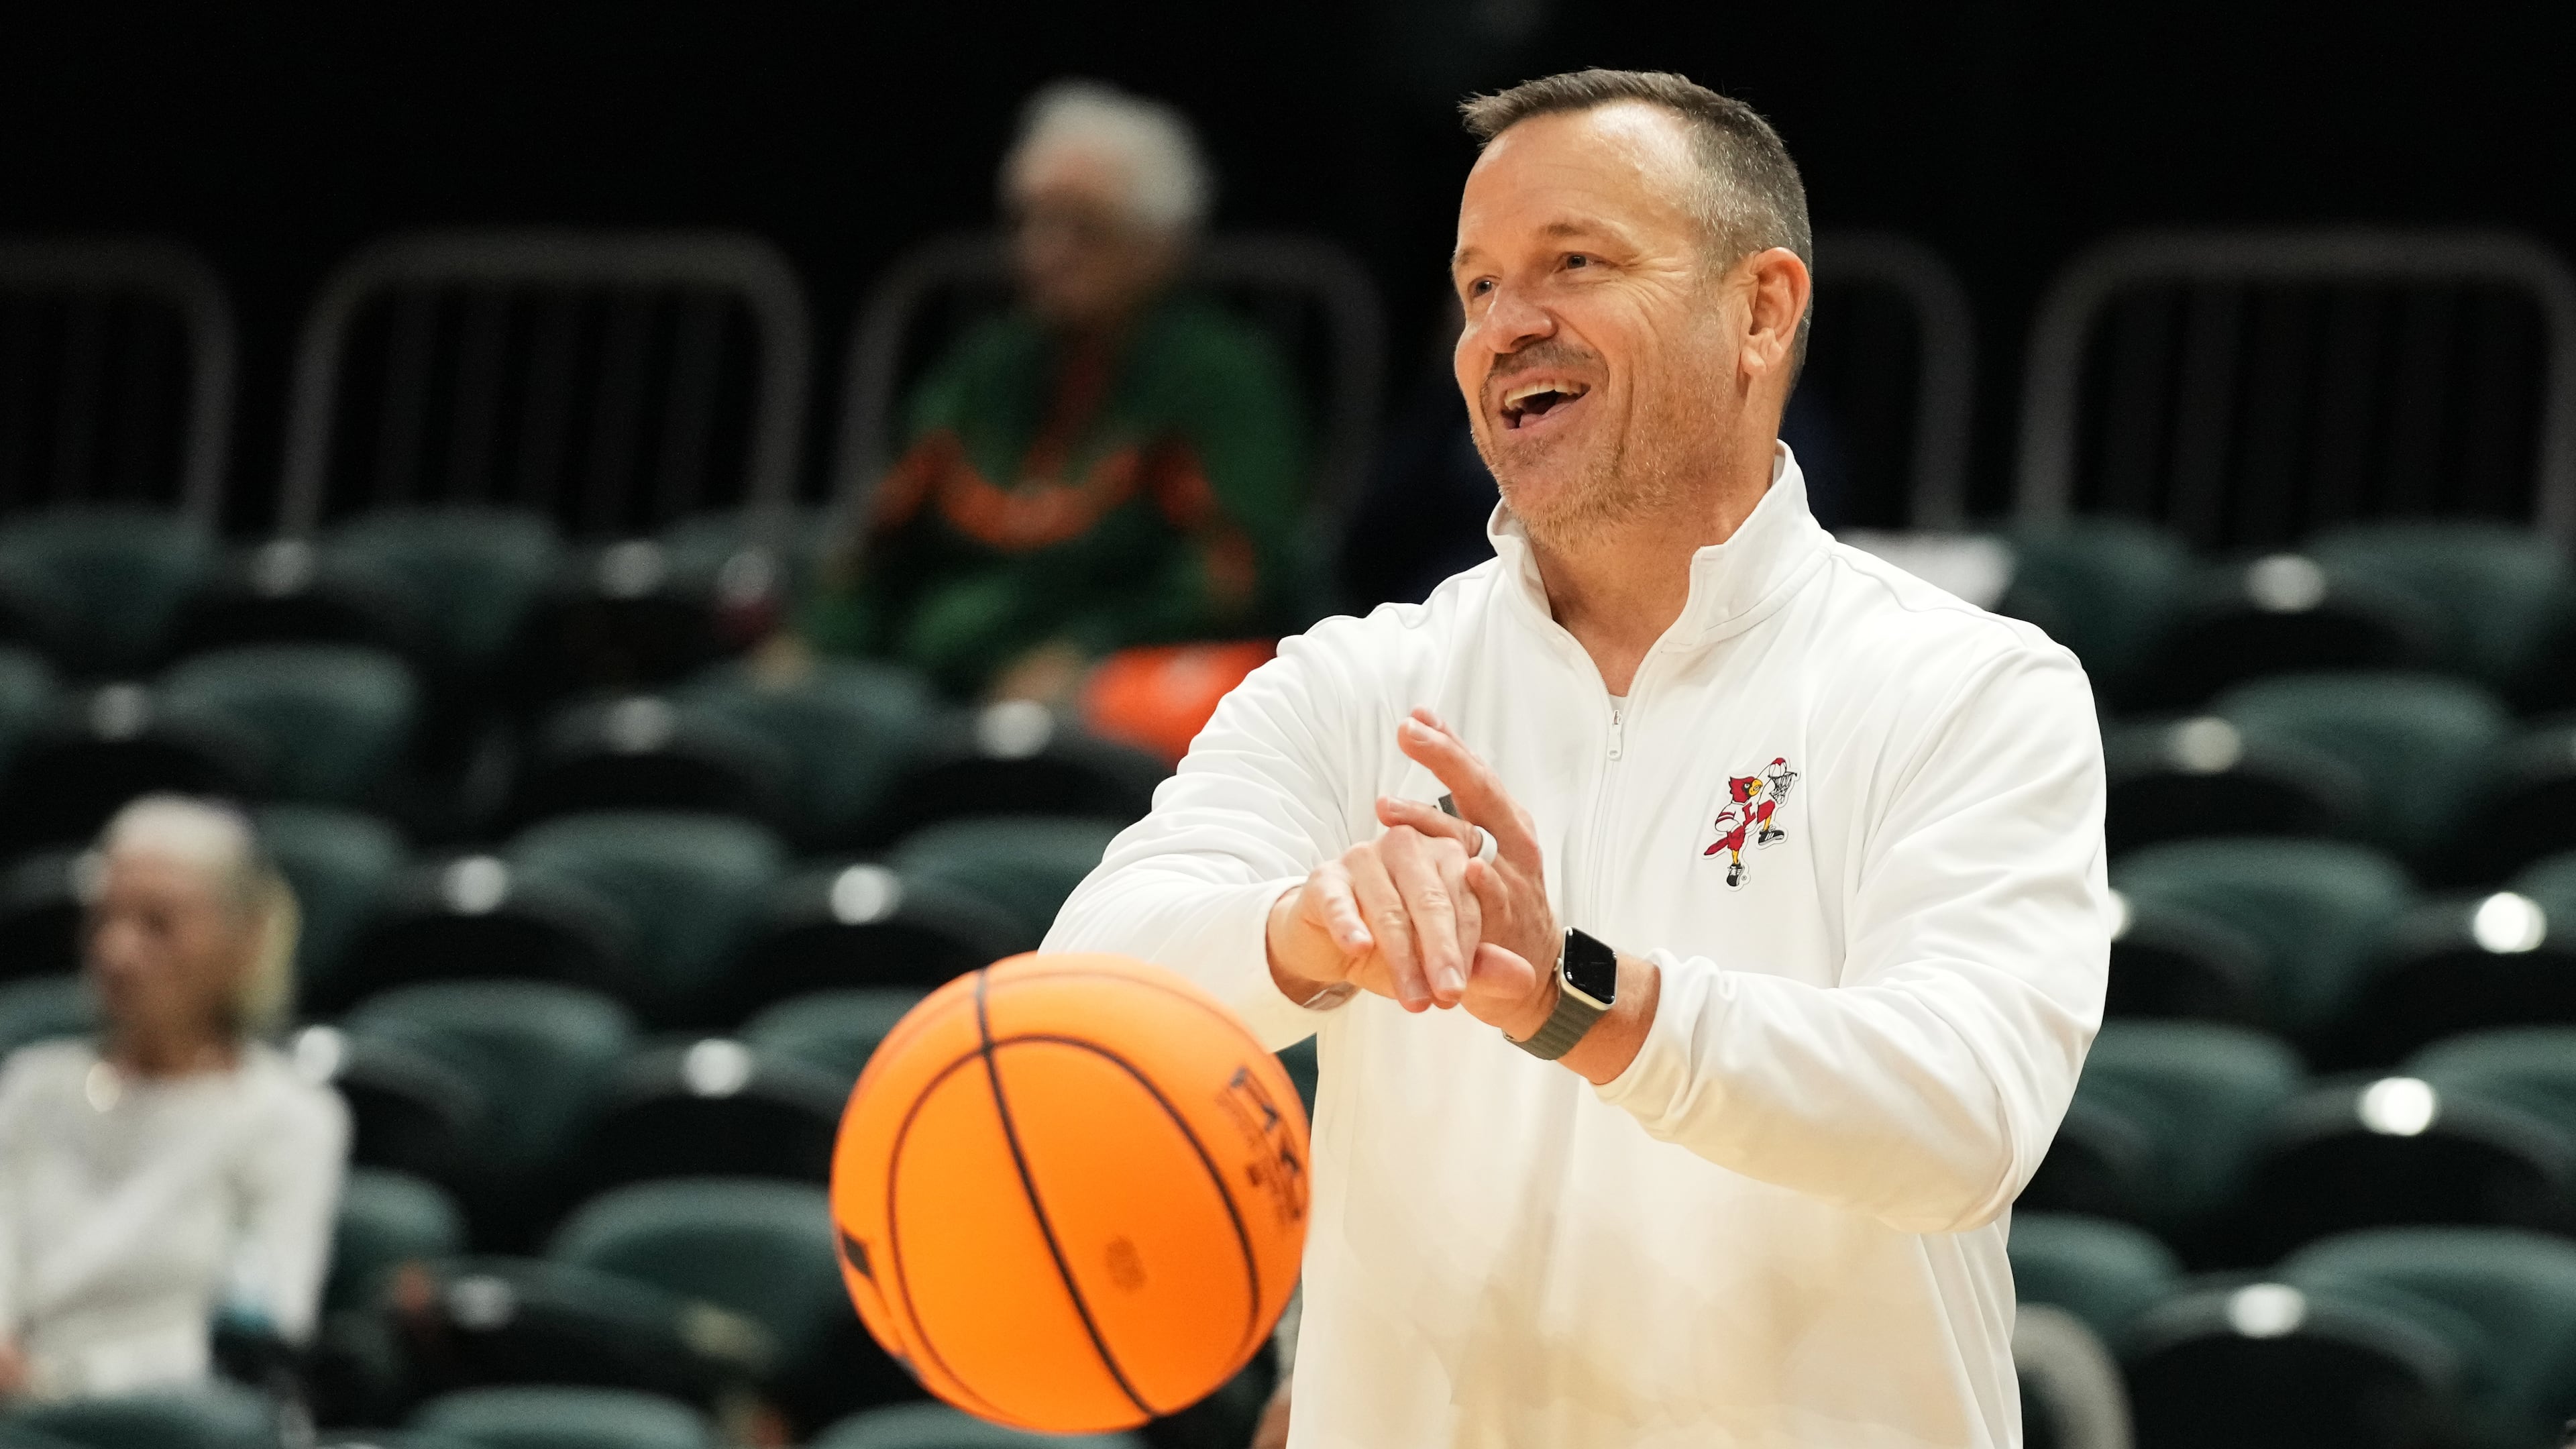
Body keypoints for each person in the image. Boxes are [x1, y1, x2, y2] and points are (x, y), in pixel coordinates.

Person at [1047, 68, 2107, 1446]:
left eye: (1575, 263)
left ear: (1763, 309)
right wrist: (1311, 927)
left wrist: (1583, 1000)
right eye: (1477, 286)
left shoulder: (1968, 687)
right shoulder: (1360, 681)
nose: (1505, 325)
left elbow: (1961, 1117)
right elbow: (1082, 995)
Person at [802, 79, 1310, 702]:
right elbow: (880, 541)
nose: (1044, 252)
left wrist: (1087, 652)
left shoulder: (1219, 376)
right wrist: (813, 643)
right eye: (1030, 223)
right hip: (919, 677)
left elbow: (1233, 573)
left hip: (1103, 684)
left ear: (1157, 245)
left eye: (1082, 228)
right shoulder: (988, 368)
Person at [0, 796, 347, 1401]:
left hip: (172, 1421)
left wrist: (57, 1386)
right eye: (103, 920)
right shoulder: (34, 1086)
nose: (117, 953)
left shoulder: (287, 1117)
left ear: (243, 941)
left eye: (157, 924)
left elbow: (263, 1330)